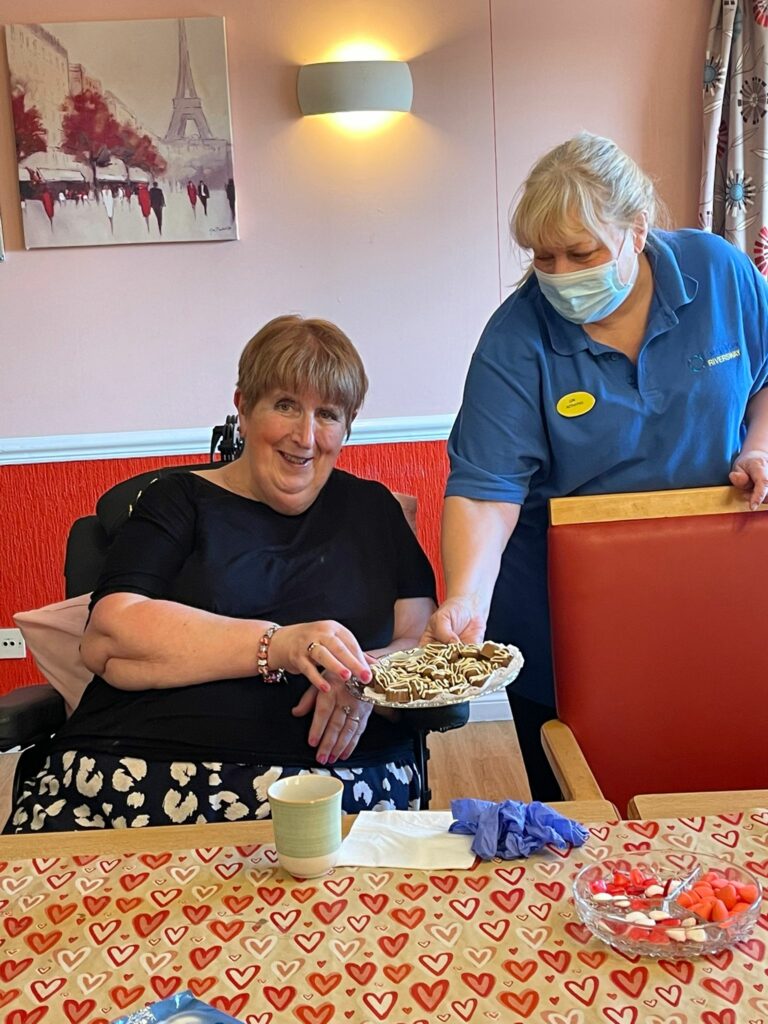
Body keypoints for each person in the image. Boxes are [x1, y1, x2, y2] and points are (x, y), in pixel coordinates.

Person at [422, 132, 768, 800]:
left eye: (581, 254)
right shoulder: (515, 339)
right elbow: (488, 491)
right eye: (542, 257)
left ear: (637, 230)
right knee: (581, 810)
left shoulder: (717, 272)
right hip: (566, 613)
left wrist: (759, 447)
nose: (560, 274)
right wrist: (466, 597)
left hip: (716, 587)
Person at [7, 316, 437, 833]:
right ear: (244, 408)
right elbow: (108, 636)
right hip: (132, 769)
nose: (305, 436)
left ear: (347, 427)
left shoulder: (374, 511)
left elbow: (423, 643)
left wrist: (364, 678)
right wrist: (280, 645)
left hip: (338, 785)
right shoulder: (177, 500)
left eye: (327, 414)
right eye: (285, 405)